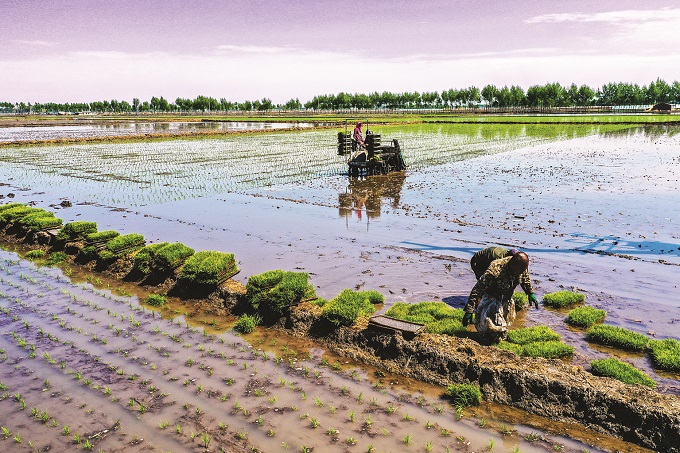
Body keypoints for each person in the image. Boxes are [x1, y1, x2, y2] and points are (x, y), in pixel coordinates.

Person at [462, 251, 539, 326]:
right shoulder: (495, 269)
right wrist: (469, 310)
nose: (522, 272)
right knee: (488, 293)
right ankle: (479, 311)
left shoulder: (521, 266)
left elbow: (525, 278)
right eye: (520, 271)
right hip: (479, 262)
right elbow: (478, 289)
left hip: (503, 276)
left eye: (524, 270)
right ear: (513, 266)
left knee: (506, 313)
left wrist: (530, 292)